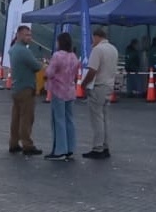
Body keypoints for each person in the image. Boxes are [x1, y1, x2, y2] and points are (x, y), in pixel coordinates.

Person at [80, 26, 118, 159]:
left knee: (96, 118)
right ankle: (106, 146)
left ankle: (98, 147)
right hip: (109, 85)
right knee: (105, 117)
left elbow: (92, 70)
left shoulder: (97, 50)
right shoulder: (113, 49)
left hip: (98, 86)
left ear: (96, 37)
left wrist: (84, 84)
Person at [7, 25, 42, 156]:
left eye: (30, 35)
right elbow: (36, 66)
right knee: (26, 118)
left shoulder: (13, 49)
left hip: (16, 87)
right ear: (19, 35)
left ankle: (13, 143)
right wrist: (42, 64)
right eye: (27, 35)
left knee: (16, 118)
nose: (30, 38)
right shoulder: (24, 51)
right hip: (26, 88)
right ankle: (27, 144)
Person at [44, 32, 79, 160]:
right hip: (70, 90)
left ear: (60, 42)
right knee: (69, 119)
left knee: (58, 120)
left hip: (58, 90)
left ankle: (60, 150)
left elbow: (49, 73)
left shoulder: (57, 56)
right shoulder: (74, 56)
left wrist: (46, 68)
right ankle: (70, 148)